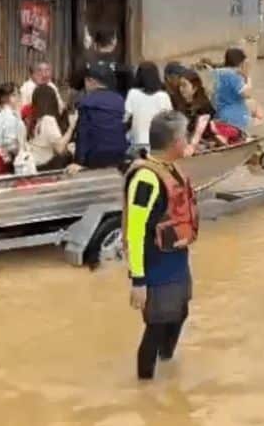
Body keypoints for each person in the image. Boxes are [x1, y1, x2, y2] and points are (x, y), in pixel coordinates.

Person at [124, 111, 198, 381]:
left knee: (180, 313)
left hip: (176, 259)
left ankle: (167, 366)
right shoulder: (146, 179)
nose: (188, 140)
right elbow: (134, 230)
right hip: (154, 265)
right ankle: (145, 387)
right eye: (186, 136)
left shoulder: (171, 168)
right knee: (155, 326)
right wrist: (138, 280)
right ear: (175, 142)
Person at [73, 63, 129, 169]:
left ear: (91, 81)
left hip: (96, 155)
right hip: (119, 152)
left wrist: (78, 162)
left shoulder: (86, 102)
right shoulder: (119, 100)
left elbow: (83, 134)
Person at [125, 62, 173, 155]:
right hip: (159, 143)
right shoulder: (163, 96)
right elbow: (170, 119)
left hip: (139, 143)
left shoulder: (133, 93)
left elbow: (126, 117)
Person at [25, 82, 73, 170]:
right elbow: (60, 148)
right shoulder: (48, 120)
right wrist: (72, 128)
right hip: (45, 166)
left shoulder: (34, 118)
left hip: (34, 163)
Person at [213, 48, 252, 132]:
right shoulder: (233, 75)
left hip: (220, 113)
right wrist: (247, 76)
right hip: (235, 116)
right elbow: (247, 94)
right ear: (241, 62)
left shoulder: (217, 73)